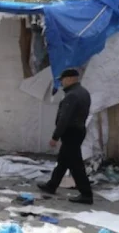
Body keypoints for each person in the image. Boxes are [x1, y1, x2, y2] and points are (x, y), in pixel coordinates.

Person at [38, 68, 93, 204]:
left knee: (76, 165)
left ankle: (86, 194)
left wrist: (55, 137)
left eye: (62, 80)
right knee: (63, 161)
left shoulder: (72, 95)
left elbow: (64, 118)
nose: (61, 83)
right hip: (78, 130)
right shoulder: (83, 92)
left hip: (71, 132)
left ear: (69, 79)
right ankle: (52, 185)